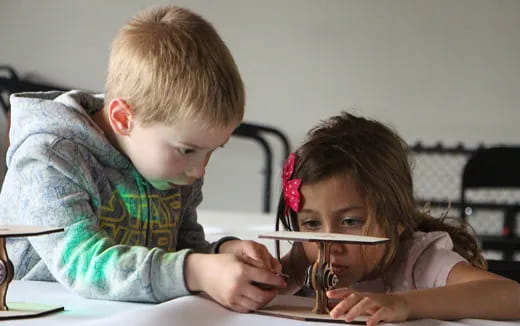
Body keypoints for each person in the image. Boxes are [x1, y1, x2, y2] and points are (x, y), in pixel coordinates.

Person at [0, 5, 286, 312]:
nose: (200, 169)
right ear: (123, 119)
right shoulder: (47, 158)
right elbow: (84, 266)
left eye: (214, 150)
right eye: (188, 150)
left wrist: (222, 253)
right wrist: (198, 270)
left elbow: (179, 248)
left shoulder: (174, 170)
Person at [275, 112, 520, 324]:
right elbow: (259, 291)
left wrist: (403, 303)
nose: (329, 244)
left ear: (397, 216)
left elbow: (512, 295)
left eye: (350, 222)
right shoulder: (307, 257)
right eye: (312, 224)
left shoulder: (418, 259)